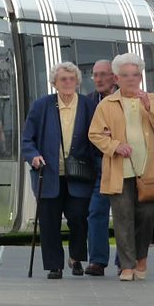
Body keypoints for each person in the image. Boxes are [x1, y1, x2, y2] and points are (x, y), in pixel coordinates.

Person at [89, 53, 154, 281]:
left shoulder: (153, 100)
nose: (131, 79)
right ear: (116, 78)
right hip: (119, 171)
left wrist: (150, 107)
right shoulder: (107, 104)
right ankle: (126, 266)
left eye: (136, 75)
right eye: (125, 75)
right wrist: (115, 146)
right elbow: (94, 133)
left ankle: (141, 259)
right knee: (123, 218)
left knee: (145, 218)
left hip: (148, 172)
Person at [22, 62, 97, 279]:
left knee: (78, 218)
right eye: (63, 79)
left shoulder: (88, 106)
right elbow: (28, 139)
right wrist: (33, 155)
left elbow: (97, 136)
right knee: (49, 221)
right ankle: (54, 265)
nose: (67, 83)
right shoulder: (41, 105)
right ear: (54, 83)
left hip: (79, 175)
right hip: (48, 174)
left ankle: (76, 257)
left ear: (77, 82)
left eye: (71, 79)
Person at [86, 59, 117, 276]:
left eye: (103, 74)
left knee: (125, 214)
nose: (98, 79)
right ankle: (97, 261)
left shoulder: (126, 99)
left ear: (114, 77)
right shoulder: (88, 102)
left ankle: (125, 260)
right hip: (97, 163)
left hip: (122, 162)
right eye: (95, 75)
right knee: (96, 211)